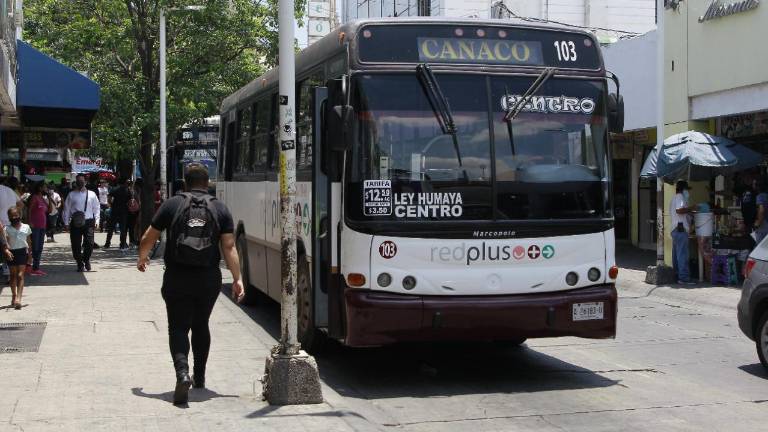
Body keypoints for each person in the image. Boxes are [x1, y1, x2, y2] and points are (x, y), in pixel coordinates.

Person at [137, 163, 244, 405]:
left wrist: (142, 258)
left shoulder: (172, 204)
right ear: (208, 183)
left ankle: (182, 373)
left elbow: (147, 238)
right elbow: (229, 247)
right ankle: (201, 377)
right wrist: (238, 279)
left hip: (177, 276)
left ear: (184, 183)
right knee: (201, 323)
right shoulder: (220, 208)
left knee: (177, 327)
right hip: (208, 279)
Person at [62, 174, 100, 272]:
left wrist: (97, 220)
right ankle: (79, 263)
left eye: (82, 181)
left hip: (89, 221)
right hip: (76, 222)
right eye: (78, 181)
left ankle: (86, 259)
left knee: (90, 243)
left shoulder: (92, 194)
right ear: (76, 182)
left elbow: (96, 208)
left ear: (85, 182)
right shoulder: (71, 194)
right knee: (75, 244)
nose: (80, 183)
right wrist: (66, 223)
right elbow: (67, 209)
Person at [670, 180, 696, 285]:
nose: (687, 192)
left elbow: (681, 212)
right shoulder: (680, 197)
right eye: (687, 190)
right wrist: (691, 208)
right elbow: (679, 210)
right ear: (683, 189)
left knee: (676, 254)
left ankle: (677, 275)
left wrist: (689, 213)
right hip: (680, 229)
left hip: (675, 229)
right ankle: (684, 278)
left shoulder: (674, 198)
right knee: (682, 254)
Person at [6, 207, 32, 309]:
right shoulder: (6, 229)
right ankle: (14, 294)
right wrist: (7, 251)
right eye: (11, 216)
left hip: (22, 252)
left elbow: (29, 242)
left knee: (21, 275)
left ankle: (19, 298)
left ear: (19, 215)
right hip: (11, 253)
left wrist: (30, 255)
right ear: (9, 217)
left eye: (16, 215)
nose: (14, 217)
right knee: (13, 275)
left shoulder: (26, 227)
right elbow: (6, 242)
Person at [27, 182, 53, 276]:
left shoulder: (42, 198)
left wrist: (49, 198)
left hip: (42, 226)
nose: (46, 189)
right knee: (35, 247)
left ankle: (36, 267)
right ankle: (32, 267)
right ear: (40, 188)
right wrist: (29, 222)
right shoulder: (34, 197)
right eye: (45, 187)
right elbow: (29, 209)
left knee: (40, 247)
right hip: (35, 226)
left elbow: (49, 210)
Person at [105, 177, 131, 250]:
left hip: (115, 210)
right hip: (124, 211)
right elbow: (130, 201)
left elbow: (109, 197)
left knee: (111, 228)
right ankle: (122, 244)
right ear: (125, 182)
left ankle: (107, 243)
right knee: (123, 229)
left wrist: (111, 203)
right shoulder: (127, 190)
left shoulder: (115, 189)